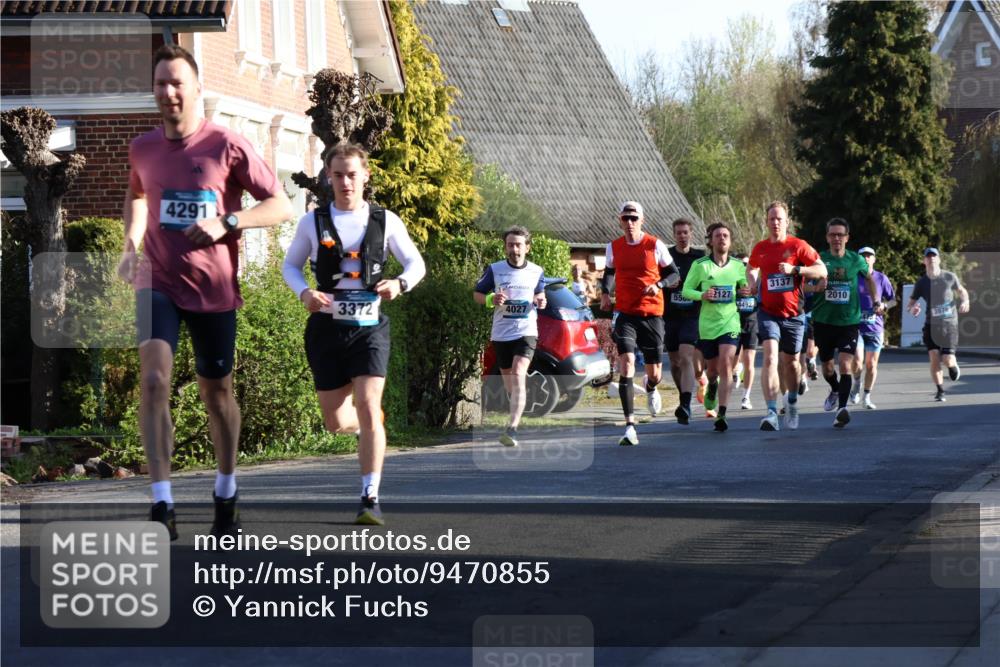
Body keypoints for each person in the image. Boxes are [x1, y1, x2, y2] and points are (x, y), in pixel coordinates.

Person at [118, 45, 293, 540]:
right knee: (154, 380)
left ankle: (226, 490)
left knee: (217, 395)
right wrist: (130, 244)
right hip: (157, 281)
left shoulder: (226, 145)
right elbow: (136, 194)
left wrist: (228, 222)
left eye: (177, 83)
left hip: (213, 288)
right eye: (161, 84)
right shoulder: (143, 148)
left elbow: (280, 205)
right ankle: (162, 502)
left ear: (197, 88)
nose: (168, 92)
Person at [282, 142, 425, 526]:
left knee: (368, 402)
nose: (345, 182)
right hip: (326, 328)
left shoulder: (385, 220)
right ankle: (366, 424)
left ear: (365, 176)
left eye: (352, 174)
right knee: (335, 422)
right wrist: (304, 293)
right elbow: (290, 266)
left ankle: (369, 497)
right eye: (338, 175)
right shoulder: (312, 222)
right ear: (329, 178)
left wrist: (400, 283)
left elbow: (415, 263)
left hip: (369, 327)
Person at [600, 201, 679, 445]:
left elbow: (674, 274)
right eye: (625, 218)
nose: (630, 222)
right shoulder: (613, 247)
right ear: (620, 221)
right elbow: (609, 272)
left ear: (642, 220)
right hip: (625, 313)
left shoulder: (655, 245)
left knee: (655, 373)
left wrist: (659, 285)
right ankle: (630, 427)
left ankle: (651, 386)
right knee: (627, 364)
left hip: (652, 314)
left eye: (634, 218)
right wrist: (605, 293)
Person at [746, 201, 827, 431]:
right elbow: (751, 268)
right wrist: (752, 283)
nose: (775, 223)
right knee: (770, 358)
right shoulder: (760, 248)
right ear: (766, 222)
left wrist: (796, 270)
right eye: (771, 219)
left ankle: (791, 401)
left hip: (794, 315)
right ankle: (771, 412)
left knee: (791, 364)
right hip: (768, 312)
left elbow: (822, 270)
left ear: (787, 222)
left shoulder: (798, 245)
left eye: (779, 219)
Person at [474, 226, 547, 447]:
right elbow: (477, 294)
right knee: (510, 382)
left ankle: (512, 428)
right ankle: (519, 400)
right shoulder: (495, 269)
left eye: (518, 245)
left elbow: (540, 294)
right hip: (501, 333)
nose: (514, 249)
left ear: (527, 247)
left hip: (526, 331)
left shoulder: (536, 271)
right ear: (505, 247)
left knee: (518, 372)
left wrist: (541, 300)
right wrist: (491, 299)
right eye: (510, 245)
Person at [808, 219, 881, 428]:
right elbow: (802, 284)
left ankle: (842, 409)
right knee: (827, 368)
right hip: (823, 320)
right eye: (833, 234)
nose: (836, 238)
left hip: (849, 322)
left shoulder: (856, 260)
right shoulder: (818, 259)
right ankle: (834, 388)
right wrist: (815, 288)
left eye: (840, 235)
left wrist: (876, 300)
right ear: (827, 237)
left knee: (846, 364)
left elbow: (869, 278)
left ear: (847, 238)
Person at [681, 223, 750, 432]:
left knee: (726, 364)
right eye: (718, 235)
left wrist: (745, 291)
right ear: (710, 241)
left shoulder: (738, 265)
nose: (722, 238)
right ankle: (711, 385)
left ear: (730, 240)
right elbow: (686, 290)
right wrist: (702, 295)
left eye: (726, 235)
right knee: (712, 371)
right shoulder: (700, 265)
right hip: (708, 326)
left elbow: (744, 286)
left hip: (730, 323)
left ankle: (722, 413)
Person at [907, 248, 970, 402]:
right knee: (934, 357)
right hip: (931, 325)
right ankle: (940, 391)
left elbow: (962, 291)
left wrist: (965, 301)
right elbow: (910, 304)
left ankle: (952, 366)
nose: (931, 259)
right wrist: (913, 309)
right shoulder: (921, 283)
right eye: (928, 257)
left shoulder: (949, 277)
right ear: (924, 261)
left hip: (949, 324)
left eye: (934, 256)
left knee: (947, 359)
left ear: (939, 259)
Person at [662, 217, 706, 425]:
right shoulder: (666, 257)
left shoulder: (699, 258)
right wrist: (665, 284)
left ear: (691, 234)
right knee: (675, 362)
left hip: (692, 315)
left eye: (685, 232)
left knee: (686, 356)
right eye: (678, 233)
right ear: (674, 235)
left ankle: (686, 405)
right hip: (670, 315)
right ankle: (683, 396)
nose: (682, 236)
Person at [851, 246, 896, 409]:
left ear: (874, 259)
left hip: (875, 327)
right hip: (855, 327)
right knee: (857, 361)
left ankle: (867, 397)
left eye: (869, 256)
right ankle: (856, 383)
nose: (866, 258)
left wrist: (884, 306)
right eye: (863, 256)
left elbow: (893, 300)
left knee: (871, 365)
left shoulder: (881, 278)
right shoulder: (852, 277)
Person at [732, 252, 758, 410]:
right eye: (741, 264)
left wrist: (755, 291)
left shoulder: (756, 278)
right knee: (731, 362)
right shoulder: (731, 277)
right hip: (733, 322)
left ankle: (746, 396)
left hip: (751, 321)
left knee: (749, 360)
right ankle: (736, 370)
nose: (744, 267)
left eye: (746, 264)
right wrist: (736, 293)